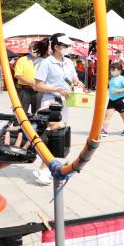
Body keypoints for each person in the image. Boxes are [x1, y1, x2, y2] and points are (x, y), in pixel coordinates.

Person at [34, 33, 82, 185]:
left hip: (65, 103)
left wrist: (78, 83)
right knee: (57, 136)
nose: (68, 49)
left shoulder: (68, 62)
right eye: (65, 46)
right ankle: (43, 169)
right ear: (56, 47)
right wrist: (58, 89)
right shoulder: (46, 63)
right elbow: (38, 85)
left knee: (58, 137)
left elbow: (74, 78)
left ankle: (47, 168)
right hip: (51, 103)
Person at [101, 63, 124, 137]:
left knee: (123, 115)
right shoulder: (111, 78)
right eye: (111, 70)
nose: (112, 71)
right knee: (107, 115)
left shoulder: (122, 79)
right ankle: (104, 130)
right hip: (112, 100)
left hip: (121, 100)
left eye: (113, 70)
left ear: (119, 71)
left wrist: (118, 91)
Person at [14, 41, 42, 114]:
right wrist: (31, 83)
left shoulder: (44, 61)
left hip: (39, 91)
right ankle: (20, 125)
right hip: (24, 90)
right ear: (29, 50)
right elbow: (18, 75)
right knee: (21, 113)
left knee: (38, 114)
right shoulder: (22, 60)